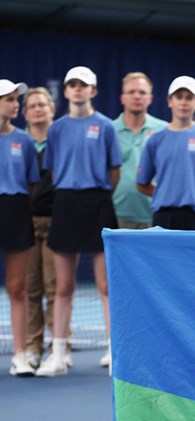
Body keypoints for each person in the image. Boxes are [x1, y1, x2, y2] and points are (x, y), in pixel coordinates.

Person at [36, 66, 121, 377]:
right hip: (66, 204)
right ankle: (58, 355)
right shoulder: (56, 129)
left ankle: (114, 352)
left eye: (83, 85)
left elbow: (114, 172)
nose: (77, 89)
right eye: (72, 84)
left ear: (93, 91)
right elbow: (53, 169)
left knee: (105, 285)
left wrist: (94, 192)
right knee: (63, 287)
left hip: (98, 204)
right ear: (68, 91)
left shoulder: (107, 127)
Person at [22, 87, 73, 369]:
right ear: (26, 113)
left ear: (52, 109)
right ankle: (32, 346)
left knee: (57, 287)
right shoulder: (19, 143)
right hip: (26, 225)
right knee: (31, 288)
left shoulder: (62, 139)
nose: (38, 109)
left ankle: (59, 345)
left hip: (58, 221)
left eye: (43, 104)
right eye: (33, 106)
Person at [136, 76, 195, 230]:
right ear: (170, 101)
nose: (184, 102)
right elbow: (142, 183)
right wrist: (166, 193)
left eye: (189, 97)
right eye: (179, 97)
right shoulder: (156, 139)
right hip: (164, 216)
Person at [0, 78, 39, 377]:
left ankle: (21, 355)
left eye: (16, 99)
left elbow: (30, 184)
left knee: (17, 288)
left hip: (15, 211)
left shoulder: (24, 141)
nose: (16, 104)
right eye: (10, 99)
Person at [112, 72, 168, 229]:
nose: (137, 96)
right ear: (122, 98)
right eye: (131, 92)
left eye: (142, 92)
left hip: (154, 214)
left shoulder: (164, 130)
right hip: (117, 214)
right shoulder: (109, 130)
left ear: (150, 98)